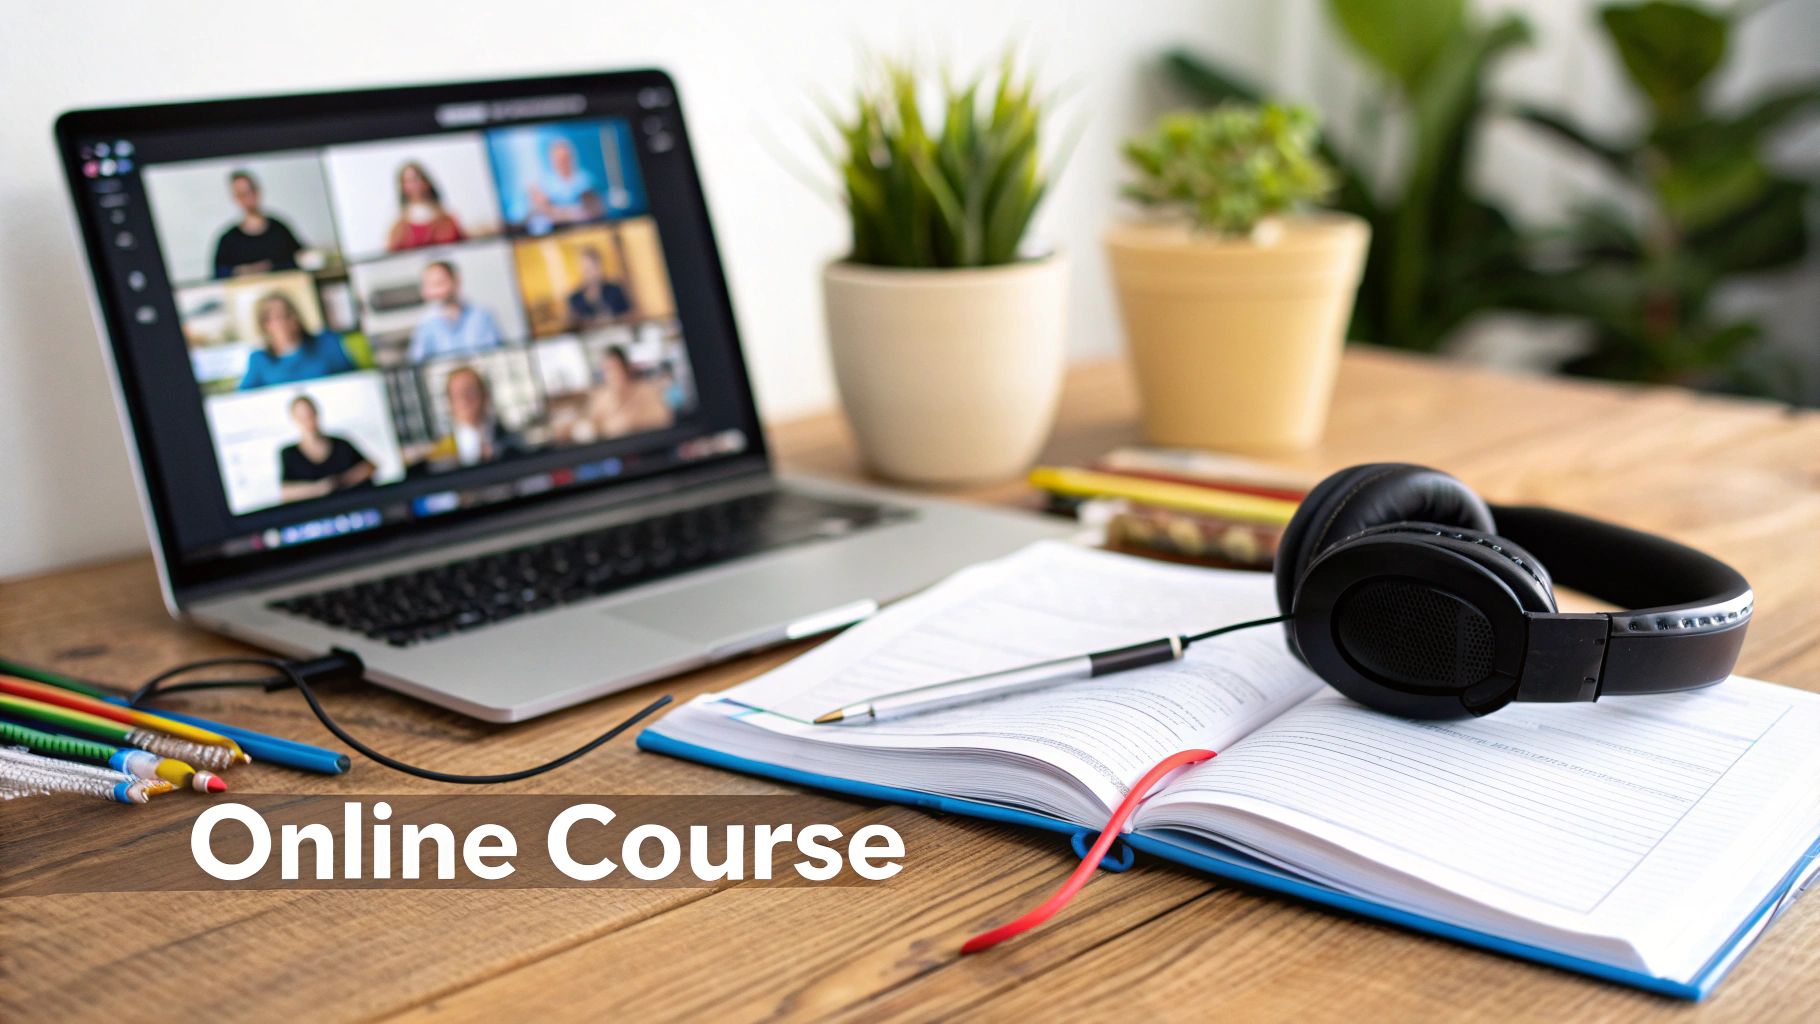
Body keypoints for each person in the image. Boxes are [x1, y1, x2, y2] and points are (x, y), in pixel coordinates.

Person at [239, 291, 356, 390]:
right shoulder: (259, 360)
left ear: (297, 316)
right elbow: (242, 399)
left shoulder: (327, 343)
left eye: (287, 314)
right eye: (274, 318)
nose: (282, 322)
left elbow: (355, 380)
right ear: (264, 325)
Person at [278, 395, 376, 502]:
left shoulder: (341, 444)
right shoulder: (289, 454)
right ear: (295, 419)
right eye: (303, 417)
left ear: (317, 413)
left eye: (310, 415)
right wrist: (319, 488)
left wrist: (341, 481)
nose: (308, 420)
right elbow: (286, 492)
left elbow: (370, 466)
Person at [423, 366, 520, 468]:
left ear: (485, 396)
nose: (464, 399)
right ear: (449, 404)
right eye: (457, 394)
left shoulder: (513, 442)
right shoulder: (440, 455)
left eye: (469, 391)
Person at [213, 170, 305, 278]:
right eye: (241, 194)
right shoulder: (228, 240)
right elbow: (219, 274)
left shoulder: (279, 230)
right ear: (235, 198)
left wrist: (271, 267)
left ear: (257, 192)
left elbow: (300, 260)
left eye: (249, 192)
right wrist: (244, 270)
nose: (247, 198)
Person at [407, 260, 504, 362]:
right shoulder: (426, 324)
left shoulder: (482, 315)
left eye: (440, 283)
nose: (437, 291)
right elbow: (417, 362)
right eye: (431, 285)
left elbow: (497, 354)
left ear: (456, 281)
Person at [586, 346, 674, 439]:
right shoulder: (601, 399)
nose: (612, 375)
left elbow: (664, 418)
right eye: (607, 370)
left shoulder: (646, 390)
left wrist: (630, 422)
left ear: (626, 367)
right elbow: (593, 428)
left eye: (616, 368)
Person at [524, 137, 603, 235]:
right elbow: (539, 210)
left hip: (582, 229)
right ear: (552, 160)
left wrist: (556, 212)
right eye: (559, 159)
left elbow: (594, 210)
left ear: (571, 158)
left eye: (565, 158)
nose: (562, 162)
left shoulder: (585, 179)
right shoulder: (543, 183)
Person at [386, 161, 466, 251]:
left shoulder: (447, 220)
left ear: (426, 182)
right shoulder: (399, 228)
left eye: (416, 179)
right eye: (407, 181)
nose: (413, 185)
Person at [565, 246, 633, 329]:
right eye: (585, 269)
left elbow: (630, 316)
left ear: (599, 266)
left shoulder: (615, 290)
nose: (588, 272)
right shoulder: (574, 298)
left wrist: (613, 320)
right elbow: (572, 325)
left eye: (592, 267)